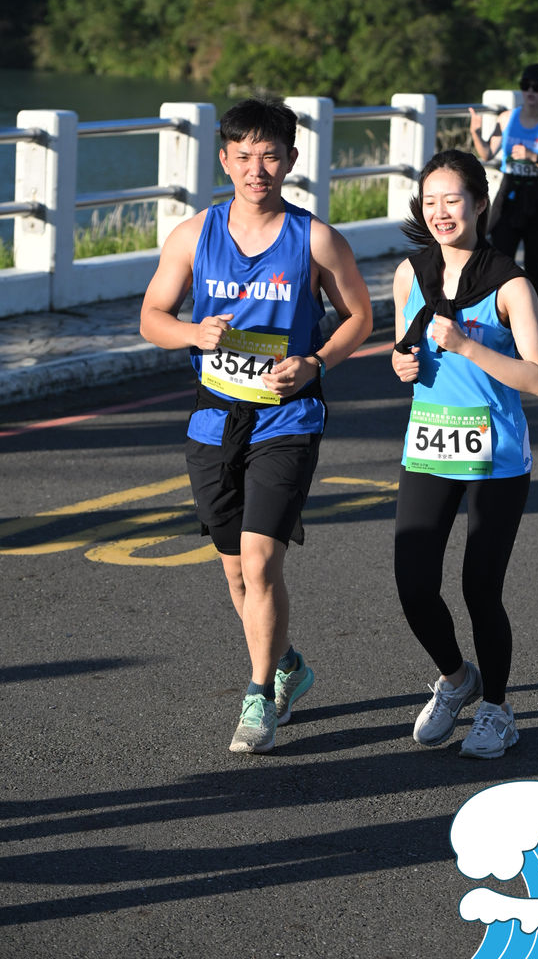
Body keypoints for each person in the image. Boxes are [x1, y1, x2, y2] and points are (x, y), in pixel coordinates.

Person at [140, 98, 372, 754]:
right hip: (215, 418)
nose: (256, 169)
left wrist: (315, 362)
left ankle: (259, 694)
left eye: (269, 156)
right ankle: (288, 664)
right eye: (243, 156)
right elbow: (152, 317)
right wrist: (193, 332)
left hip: (287, 417)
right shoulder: (194, 235)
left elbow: (359, 316)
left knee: (261, 560)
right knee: (236, 573)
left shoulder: (315, 239)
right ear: (224, 160)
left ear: (291, 160)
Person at [390, 148, 538, 759]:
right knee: (413, 585)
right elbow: (403, 351)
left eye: (452, 200)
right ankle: (457, 679)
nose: (440, 212)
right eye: (430, 201)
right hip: (429, 445)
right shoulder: (409, 274)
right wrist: (401, 365)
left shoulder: (510, 284)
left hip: (496, 457)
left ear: (480, 204)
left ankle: (498, 709)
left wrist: (467, 346)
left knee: (480, 588)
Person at [468, 62, 538, 300]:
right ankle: (502, 317)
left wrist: (535, 158)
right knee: (500, 264)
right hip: (510, 195)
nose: (530, 91)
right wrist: (475, 133)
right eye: (526, 86)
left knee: (534, 268)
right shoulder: (506, 118)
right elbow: (487, 154)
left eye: (537, 87)